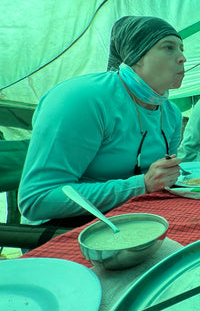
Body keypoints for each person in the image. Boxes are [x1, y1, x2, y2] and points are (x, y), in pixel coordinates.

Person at [18, 16, 185, 226]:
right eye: (169, 47)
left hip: (135, 218)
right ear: (136, 55)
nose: (182, 58)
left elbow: (162, 180)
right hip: (65, 227)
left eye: (181, 48)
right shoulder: (82, 99)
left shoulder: (171, 114)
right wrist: (141, 184)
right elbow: (37, 200)